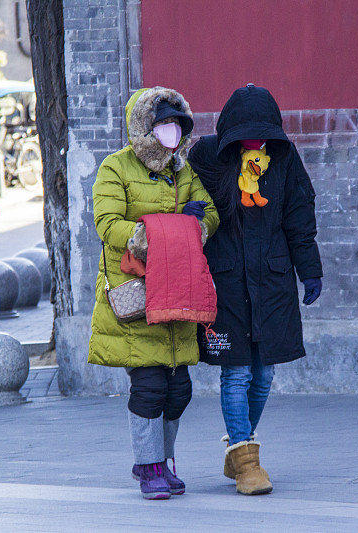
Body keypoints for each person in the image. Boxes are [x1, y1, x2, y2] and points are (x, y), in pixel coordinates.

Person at [188, 84, 323, 495]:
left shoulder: (283, 158)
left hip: (273, 281)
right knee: (238, 372)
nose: (253, 140)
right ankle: (248, 466)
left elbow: (299, 215)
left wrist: (310, 269)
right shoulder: (207, 156)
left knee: (264, 376)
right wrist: (189, 211)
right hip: (226, 283)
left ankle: (238, 446)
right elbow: (184, 197)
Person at [88, 86, 219, 500]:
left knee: (179, 388)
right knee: (149, 386)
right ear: (145, 127)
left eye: (176, 125)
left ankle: (162, 459)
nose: (171, 131)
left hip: (177, 288)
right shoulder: (116, 167)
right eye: (163, 124)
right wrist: (162, 231)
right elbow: (107, 224)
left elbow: (209, 212)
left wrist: (193, 227)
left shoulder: (184, 171)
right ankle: (148, 466)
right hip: (137, 291)